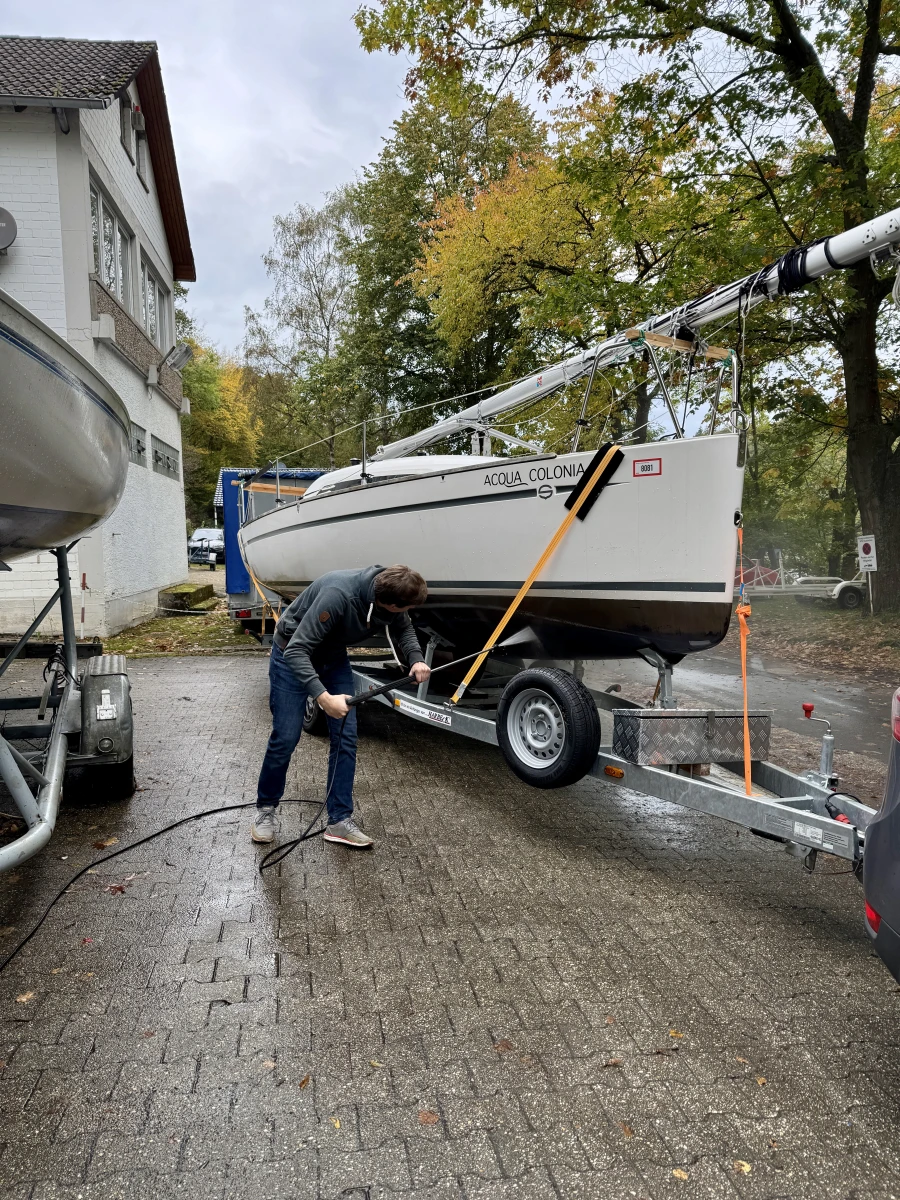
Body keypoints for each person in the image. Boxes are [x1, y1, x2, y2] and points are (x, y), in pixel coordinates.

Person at [251, 564, 430, 848]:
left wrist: (416, 658)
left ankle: (338, 820)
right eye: (403, 607)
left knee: (346, 738)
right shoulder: (338, 596)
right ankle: (266, 810)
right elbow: (298, 649)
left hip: (332, 658)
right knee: (286, 736)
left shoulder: (390, 596)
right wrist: (323, 698)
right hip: (291, 654)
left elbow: (404, 627)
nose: (404, 612)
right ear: (388, 602)